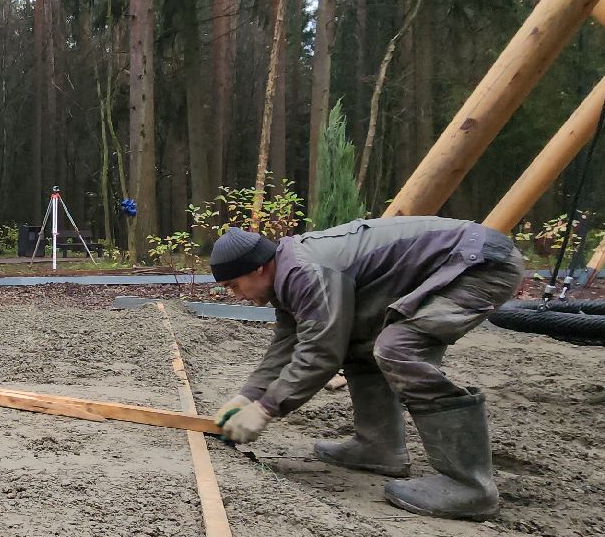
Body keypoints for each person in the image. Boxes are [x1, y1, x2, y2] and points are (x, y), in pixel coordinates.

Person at [208, 216, 525, 520]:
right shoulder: (287, 276)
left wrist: (265, 408)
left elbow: (320, 353)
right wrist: (247, 396)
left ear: (259, 269)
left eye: (235, 285)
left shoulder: (306, 271)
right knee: (359, 344)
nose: (237, 296)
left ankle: (469, 485)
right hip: (467, 259)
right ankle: (379, 448)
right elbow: (287, 345)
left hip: (479, 265)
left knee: (398, 349)